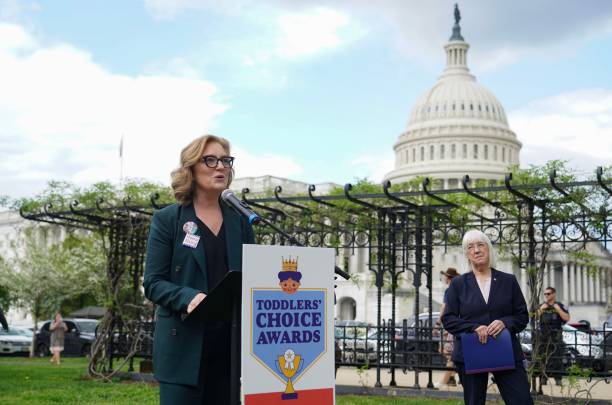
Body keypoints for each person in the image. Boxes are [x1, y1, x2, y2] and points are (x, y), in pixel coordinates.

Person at [143, 135, 255, 405]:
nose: (221, 167)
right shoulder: (168, 219)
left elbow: (254, 278)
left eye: (226, 161)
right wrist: (188, 298)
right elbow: (153, 282)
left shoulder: (241, 220)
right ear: (191, 167)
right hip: (183, 346)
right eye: (211, 160)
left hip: (229, 349)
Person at [442, 230, 532, 405]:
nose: (476, 250)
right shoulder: (458, 284)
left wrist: (505, 322)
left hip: (506, 350)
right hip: (471, 352)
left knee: (522, 400)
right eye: (471, 247)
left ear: (488, 249)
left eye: (480, 245)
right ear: (467, 254)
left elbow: (522, 316)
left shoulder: (509, 281)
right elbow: (448, 319)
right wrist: (473, 327)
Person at [538, 286, 570, 386]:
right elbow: (533, 318)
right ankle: (543, 378)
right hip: (544, 335)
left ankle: (558, 379)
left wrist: (558, 309)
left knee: (557, 356)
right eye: (545, 294)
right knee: (543, 357)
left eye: (548, 294)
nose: (546, 296)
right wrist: (541, 309)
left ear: (554, 294)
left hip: (556, 335)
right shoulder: (542, 306)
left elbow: (567, 318)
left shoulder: (560, 305)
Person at [435, 267, 460, 388]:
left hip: (451, 324)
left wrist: (438, 323)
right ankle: (452, 378)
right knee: (448, 351)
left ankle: (444, 382)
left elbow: (444, 308)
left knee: (451, 354)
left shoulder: (449, 290)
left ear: (448, 278)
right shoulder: (458, 289)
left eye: (445, 276)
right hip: (456, 324)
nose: (444, 278)